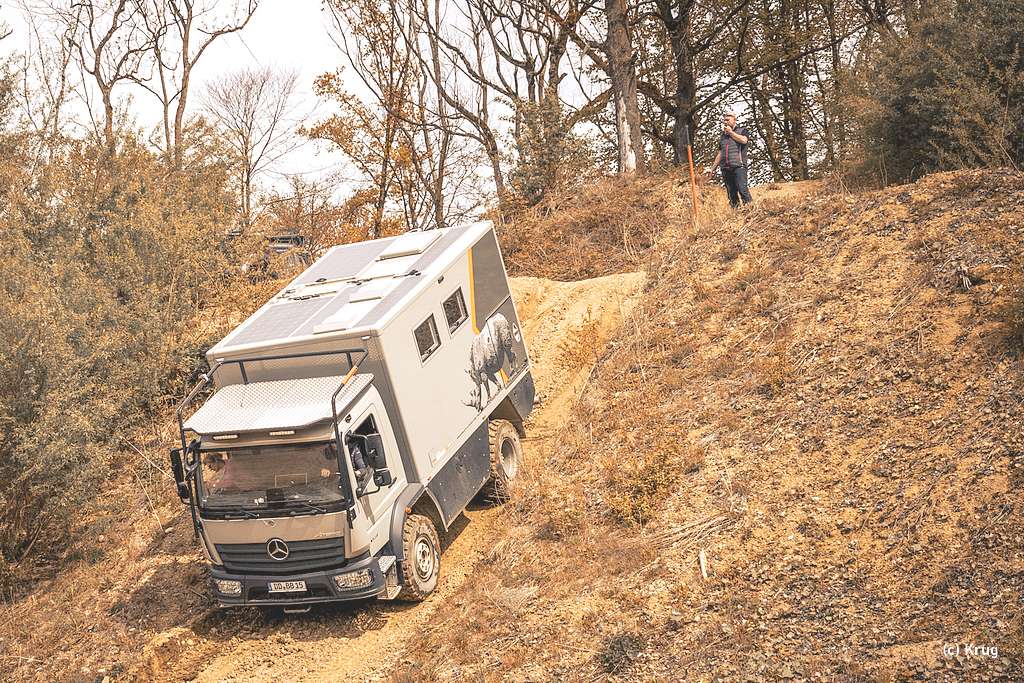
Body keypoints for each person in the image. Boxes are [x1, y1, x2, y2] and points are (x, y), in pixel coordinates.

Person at [706, 112, 753, 208]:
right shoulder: (723, 136)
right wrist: (712, 169)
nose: (726, 122)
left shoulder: (742, 130)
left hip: (739, 166)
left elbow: (744, 140)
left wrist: (731, 132)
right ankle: (736, 215)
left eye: (728, 120)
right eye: (724, 120)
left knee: (742, 189)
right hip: (726, 168)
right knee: (731, 194)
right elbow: (720, 153)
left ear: (734, 120)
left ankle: (752, 211)